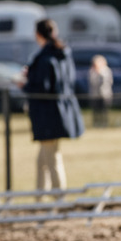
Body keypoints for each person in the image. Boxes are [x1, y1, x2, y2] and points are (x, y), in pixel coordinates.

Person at [22, 18, 85, 191]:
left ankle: (59, 197)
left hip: (47, 115)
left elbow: (42, 87)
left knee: (52, 158)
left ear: (38, 34)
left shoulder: (45, 58)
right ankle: (39, 197)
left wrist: (25, 83)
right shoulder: (62, 54)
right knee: (42, 160)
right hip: (61, 111)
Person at [88, 54, 113, 126]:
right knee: (96, 111)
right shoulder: (92, 71)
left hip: (104, 95)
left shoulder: (106, 71)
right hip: (95, 95)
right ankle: (96, 123)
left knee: (104, 110)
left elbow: (106, 82)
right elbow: (92, 82)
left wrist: (100, 73)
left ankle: (104, 124)